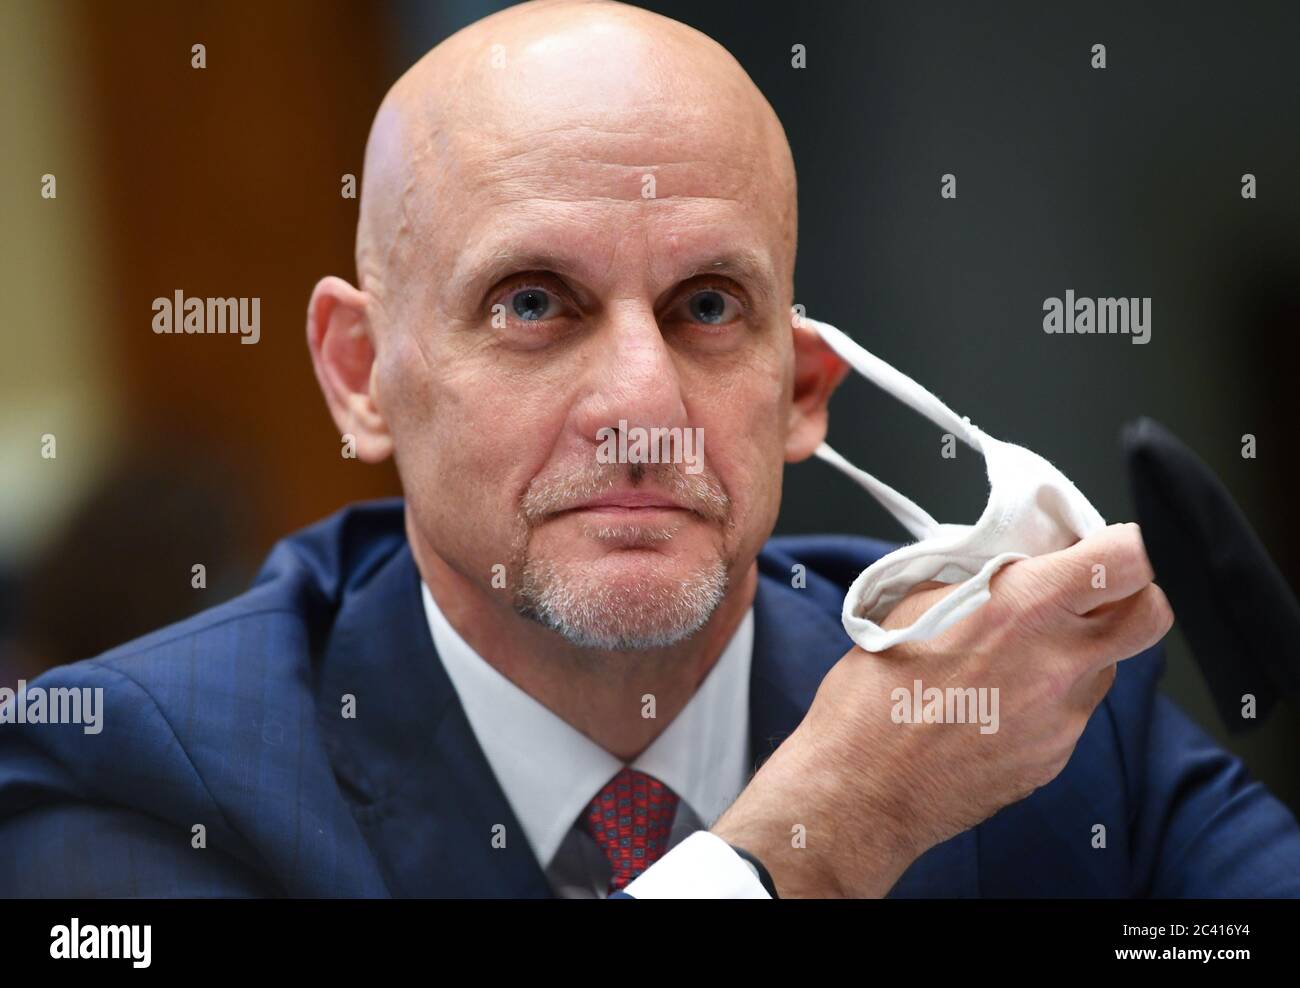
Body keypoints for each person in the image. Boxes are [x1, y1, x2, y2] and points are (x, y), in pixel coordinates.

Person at [2, 0, 1298, 898]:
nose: (640, 400)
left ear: (801, 392)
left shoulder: (1045, 730)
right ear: (362, 377)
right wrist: (826, 833)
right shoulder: (133, 767)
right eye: (533, 304)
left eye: (708, 308)